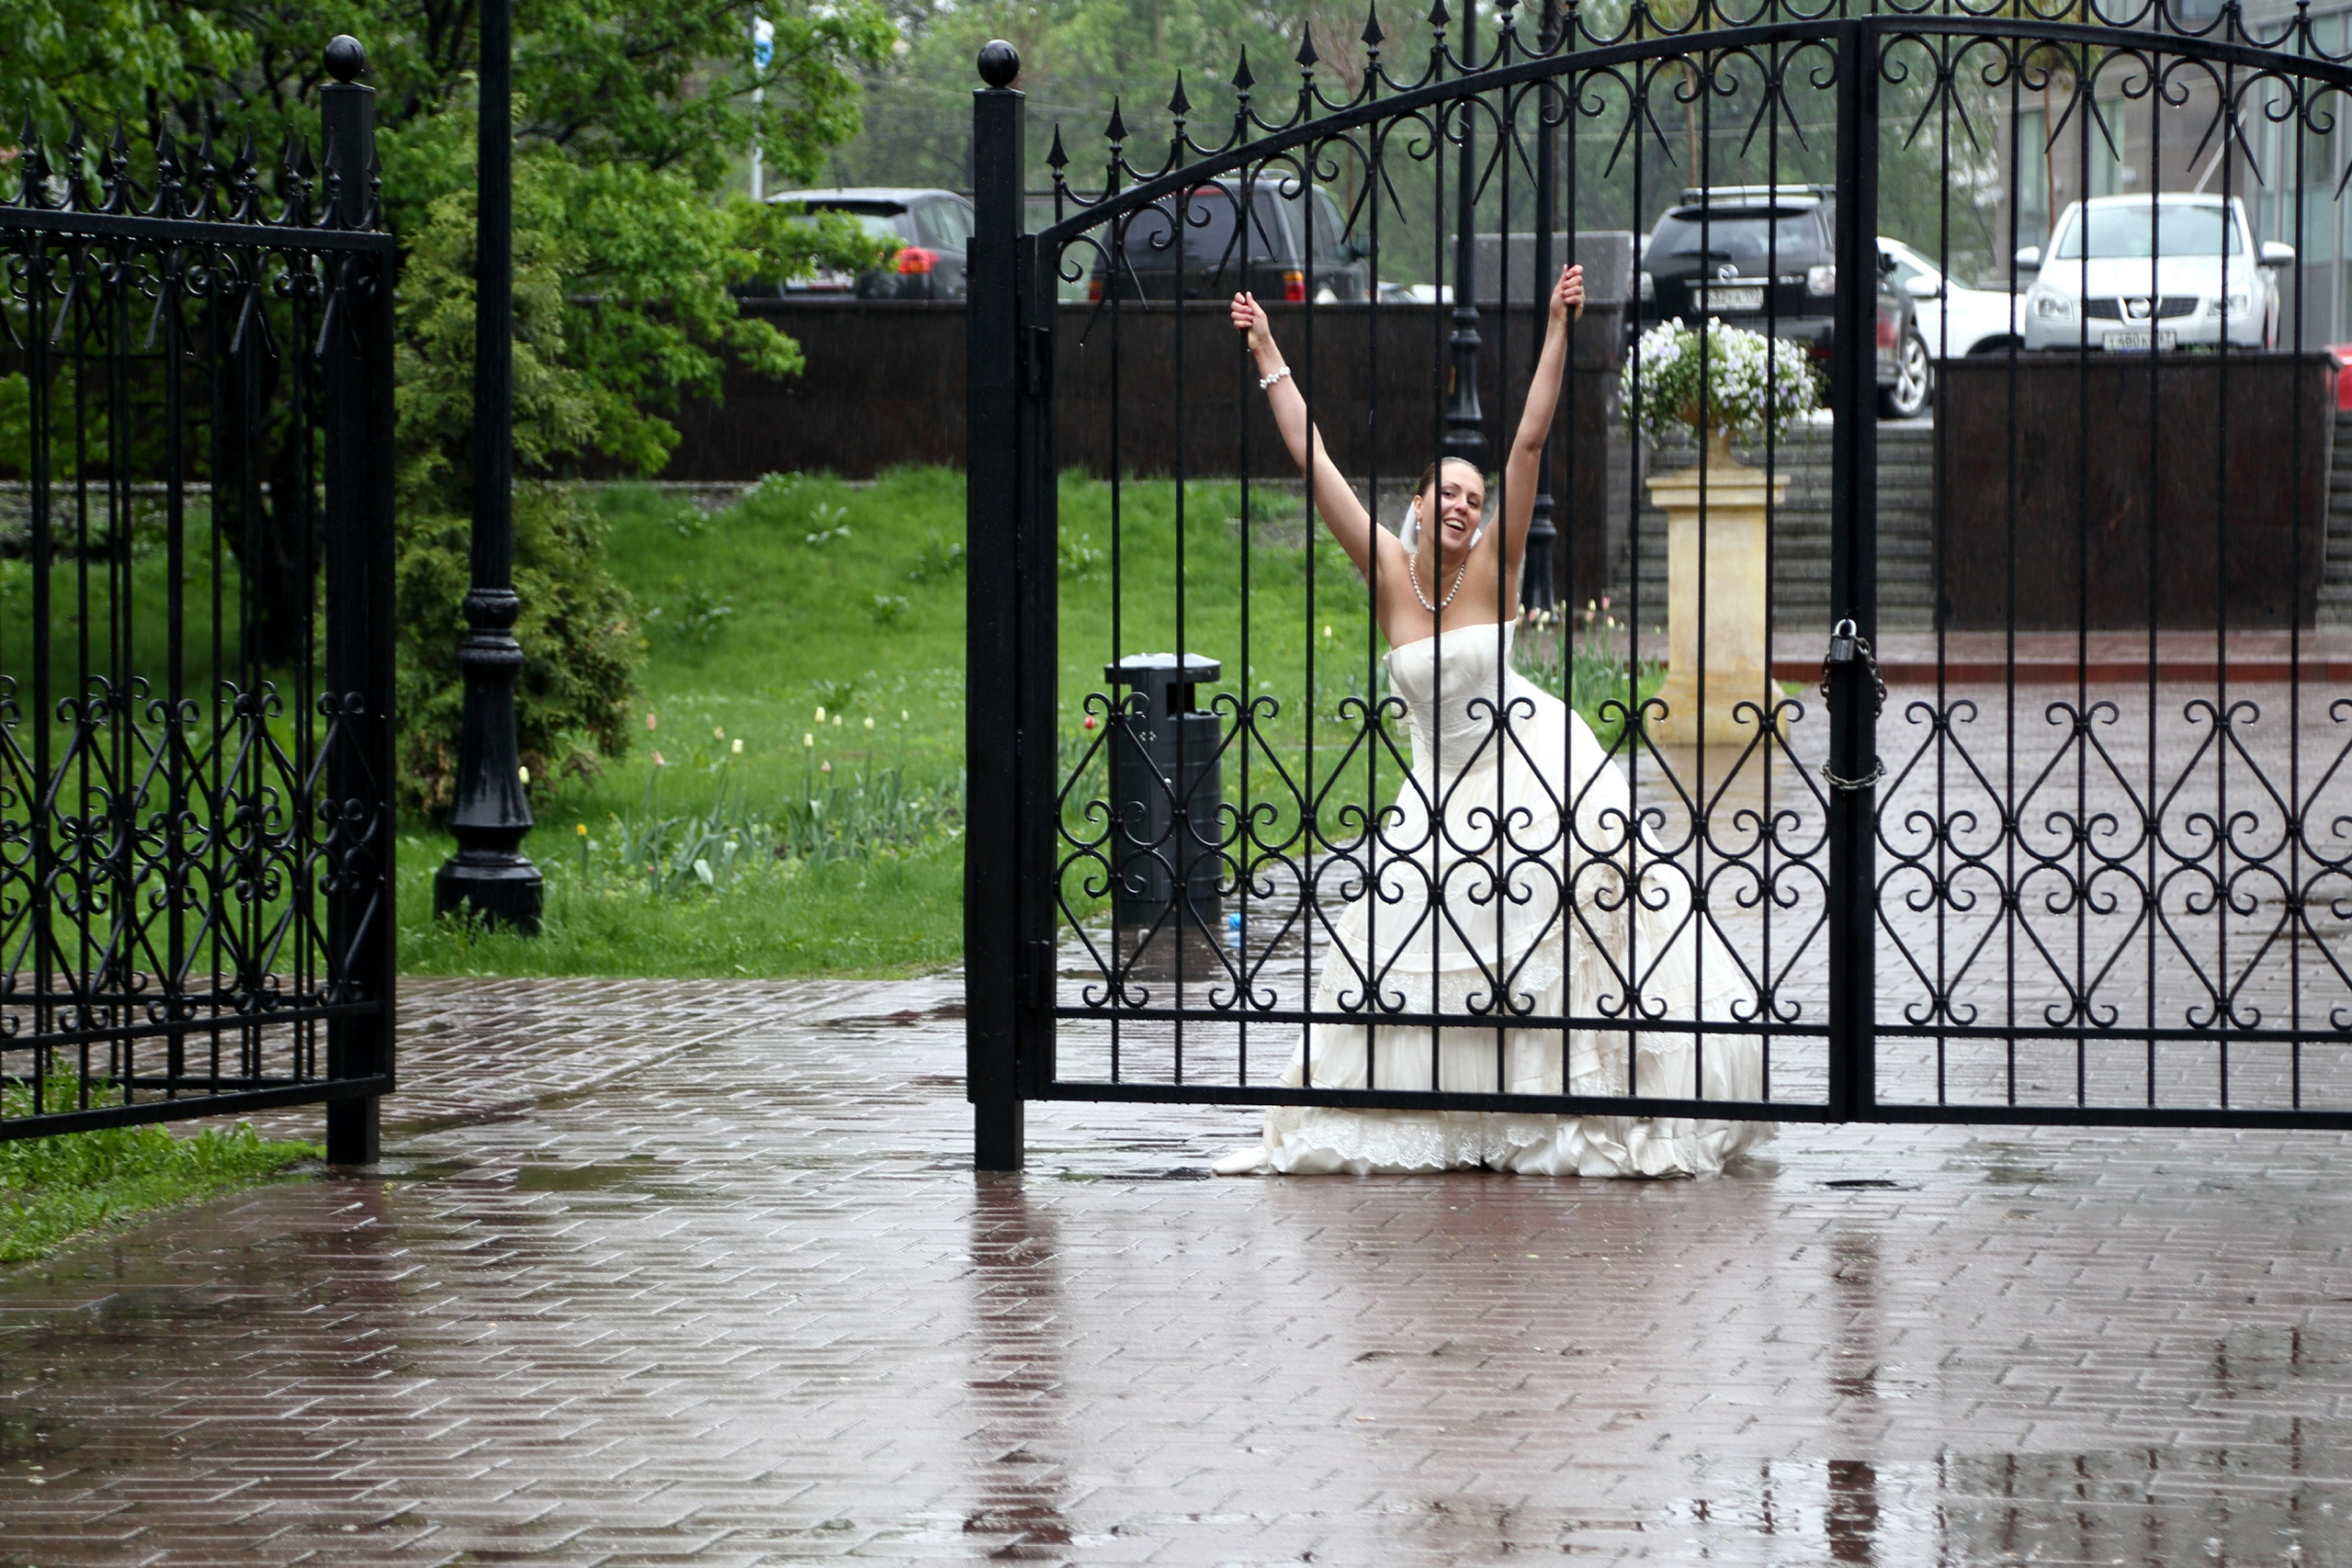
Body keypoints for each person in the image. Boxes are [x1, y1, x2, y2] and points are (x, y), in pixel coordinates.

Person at [1211, 265, 1775, 1178]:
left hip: (1529, 766)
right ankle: (1432, 1109)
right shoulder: (1388, 571)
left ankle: (1576, 1096)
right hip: (1437, 788)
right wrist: (1270, 352)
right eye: (1451, 493)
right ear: (1420, 504)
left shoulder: (1496, 569)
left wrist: (1558, 329)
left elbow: (1527, 444)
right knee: (1413, 933)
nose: (1467, 505)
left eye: (1475, 498)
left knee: (1562, 925)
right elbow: (1313, 460)